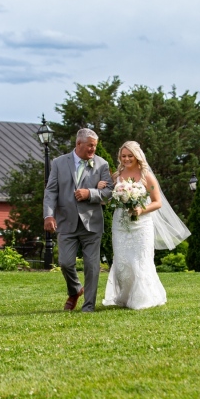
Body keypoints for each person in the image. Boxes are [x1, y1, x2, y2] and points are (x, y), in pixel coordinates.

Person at [102, 141, 191, 310]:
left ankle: (143, 298)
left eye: (130, 156)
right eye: (123, 156)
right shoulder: (117, 175)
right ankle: (126, 296)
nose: (126, 159)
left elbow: (157, 202)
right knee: (122, 261)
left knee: (140, 260)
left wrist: (141, 210)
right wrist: (102, 186)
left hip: (141, 225)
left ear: (137, 156)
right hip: (120, 223)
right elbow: (108, 196)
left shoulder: (146, 176)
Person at [43, 128, 113, 312]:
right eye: (90, 146)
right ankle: (75, 290)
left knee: (92, 266)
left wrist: (90, 193)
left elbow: (109, 192)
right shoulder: (58, 163)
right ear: (78, 144)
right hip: (66, 221)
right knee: (65, 263)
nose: (93, 150)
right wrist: (49, 215)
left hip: (92, 224)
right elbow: (51, 191)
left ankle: (88, 306)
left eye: (95, 146)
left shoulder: (102, 164)